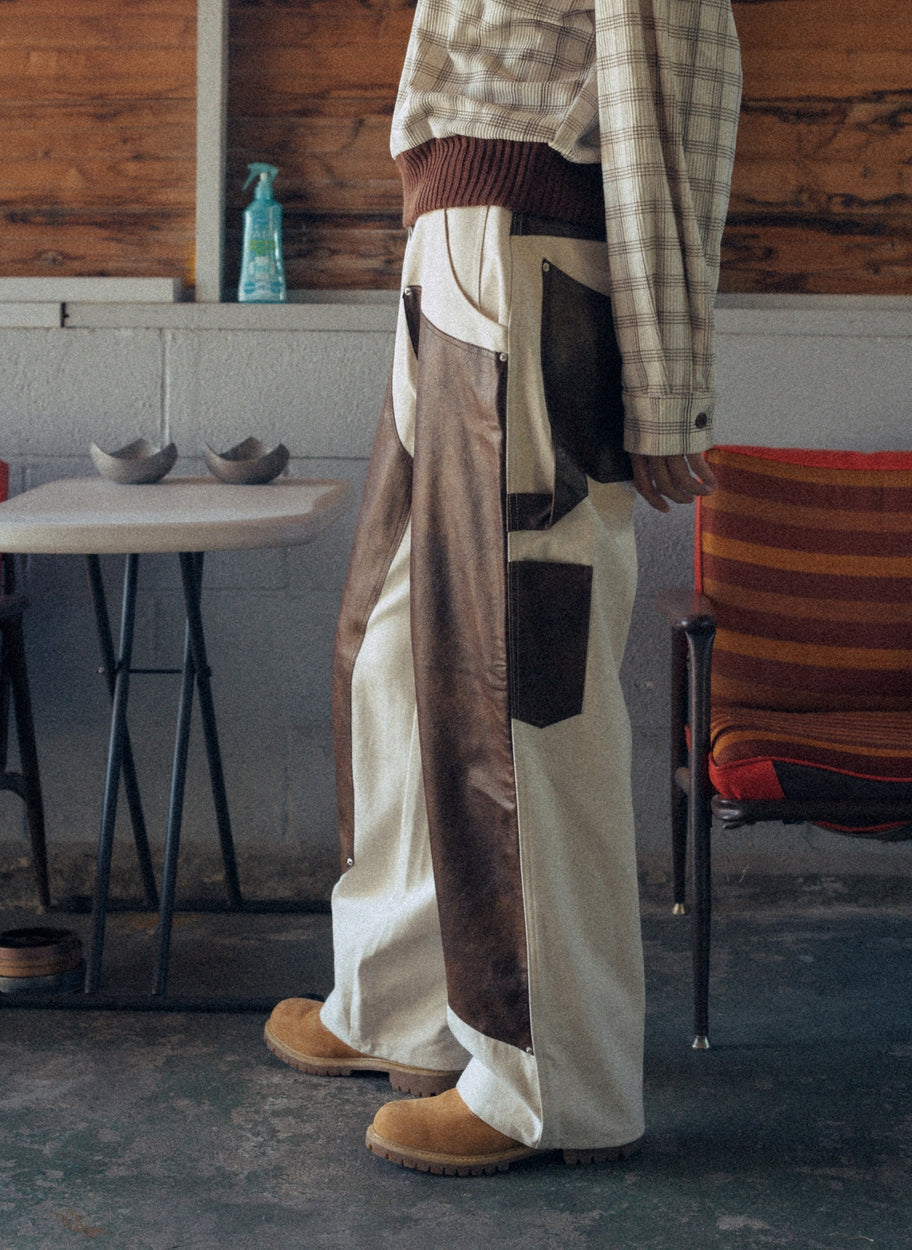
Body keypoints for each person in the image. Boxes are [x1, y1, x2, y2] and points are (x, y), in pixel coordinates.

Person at [264, 0, 742, 1175]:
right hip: (453, 239)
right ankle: (402, 1001)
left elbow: (675, 75)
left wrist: (666, 378)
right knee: (391, 646)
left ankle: (550, 1084)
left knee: (523, 681)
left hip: (528, 241)